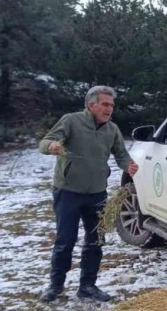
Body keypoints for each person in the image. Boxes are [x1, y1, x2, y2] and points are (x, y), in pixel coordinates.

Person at [37, 85, 139, 303]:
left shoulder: (112, 129)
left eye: (111, 105)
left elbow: (121, 154)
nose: (109, 108)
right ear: (91, 105)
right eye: (105, 104)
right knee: (65, 240)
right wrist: (53, 145)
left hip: (97, 193)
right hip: (68, 192)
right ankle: (55, 285)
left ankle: (88, 286)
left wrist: (129, 165)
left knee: (96, 241)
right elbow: (43, 143)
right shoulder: (71, 121)